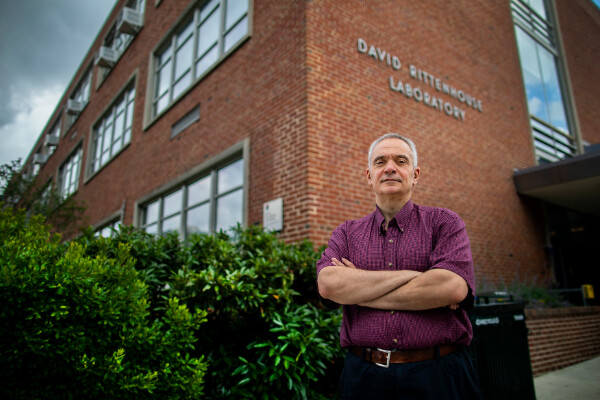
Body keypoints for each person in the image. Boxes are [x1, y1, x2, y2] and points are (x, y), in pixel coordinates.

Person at [316, 133, 482, 399]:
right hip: (364, 378)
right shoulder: (346, 233)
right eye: (380, 161)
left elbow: (451, 287)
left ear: (414, 174)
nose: (390, 167)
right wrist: (419, 278)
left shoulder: (444, 223)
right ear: (369, 175)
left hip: (439, 375)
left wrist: (359, 286)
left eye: (400, 160)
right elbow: (328, 284)